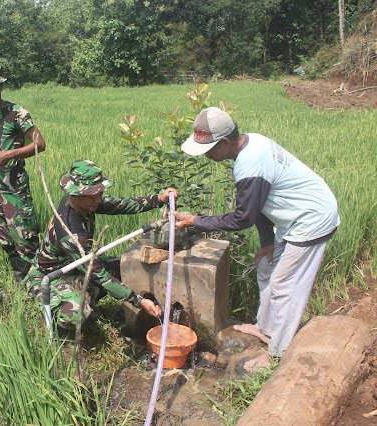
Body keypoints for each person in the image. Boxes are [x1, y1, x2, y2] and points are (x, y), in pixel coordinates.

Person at [174, 107, 340, 372]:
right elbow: (260, 204)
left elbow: (243, 218)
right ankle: (265, 328)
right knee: (266, 265)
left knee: (286, 285)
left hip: (311, 219)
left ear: (225, 142)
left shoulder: (250, 164)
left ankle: (277, 355)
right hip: (293, 218)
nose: (206, 156)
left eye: (209, 150)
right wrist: (267, 242)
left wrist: (196, 221)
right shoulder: (251, 142)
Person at [24, 160, 178, 330]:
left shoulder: (84, 202)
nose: (98, 199)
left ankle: (86, 292)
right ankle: (64, 326)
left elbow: (121, 204)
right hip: (49, 277)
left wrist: (158, 199)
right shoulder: (70, 233)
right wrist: (137, 300)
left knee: (127, 266)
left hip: (75, 266)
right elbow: (99, 274)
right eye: (92, 195)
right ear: (76, 194)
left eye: (100, 193)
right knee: (78, 314)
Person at [0, 68, 45, 282]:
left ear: (1, 87)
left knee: (25, 237)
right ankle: (21, 280)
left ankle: (39, 282)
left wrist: (8, 154)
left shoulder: (17, 113)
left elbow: (40, 144)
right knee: (3, 238)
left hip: (15, 189)